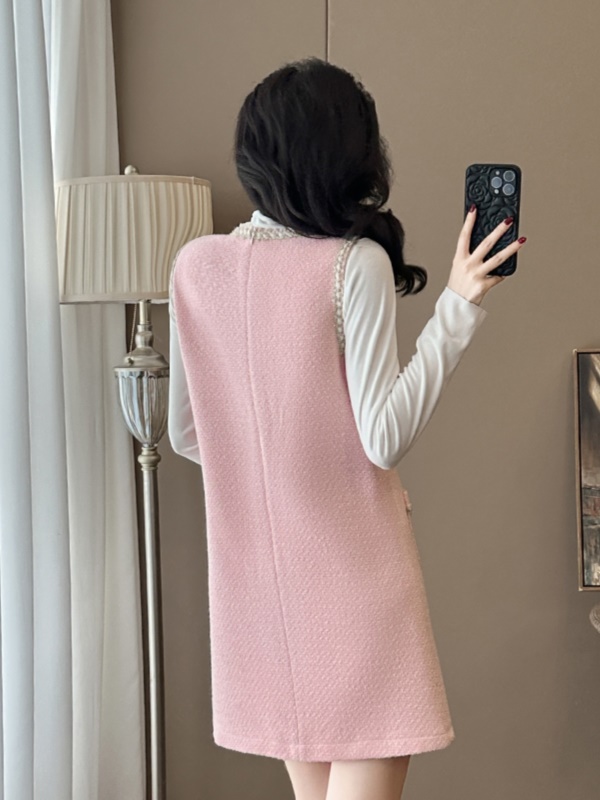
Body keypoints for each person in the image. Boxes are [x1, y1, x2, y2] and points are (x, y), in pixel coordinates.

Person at [167, 57, 527, 800]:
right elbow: (383, 438)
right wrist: (459, 305)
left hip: (261, 602)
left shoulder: (195, 267)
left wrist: (275, 472)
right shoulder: (350, 263)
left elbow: (187, 435)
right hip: (354, 591)